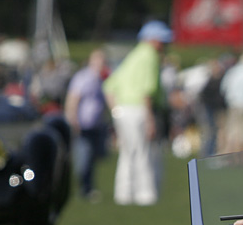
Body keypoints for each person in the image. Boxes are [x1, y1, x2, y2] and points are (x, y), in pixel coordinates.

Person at [102, 20, 173, 206]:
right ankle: (145, 195)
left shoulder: (133, 55)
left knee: (128, 152)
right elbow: (146, 91)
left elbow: (109, 86)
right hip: (139, 110)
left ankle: (124, 194)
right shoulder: (149, 56)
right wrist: (150, 119)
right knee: (143, 152)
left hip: (123, 109)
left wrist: (115, 111)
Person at [64, 48, 109, 201]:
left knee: (92, 159)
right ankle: (81, 188)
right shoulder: (83, 77)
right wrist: (72, 118)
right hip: (82, 125)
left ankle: (88, 188)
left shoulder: (101, 79)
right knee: (83, 158)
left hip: (96, 125)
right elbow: (73, 98)